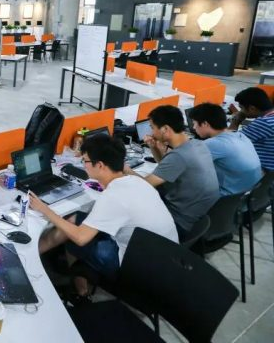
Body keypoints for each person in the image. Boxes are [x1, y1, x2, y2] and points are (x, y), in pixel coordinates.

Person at [31, 135, 178, 297]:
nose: (83, 165)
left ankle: (78, 287)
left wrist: (45, 210)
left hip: (138, 270)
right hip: (168, 260)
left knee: (71, 236)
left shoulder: (113, 196)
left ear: (100, 165)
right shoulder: (137, 181)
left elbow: (81, 237)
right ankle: (51, 263)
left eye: (85, 161)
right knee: (74, 220)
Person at [126, 105, 219, 237]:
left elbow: (143, 185)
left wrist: (125, 169)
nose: (151, 133)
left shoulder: (179, 156)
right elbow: (166, 167)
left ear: (165, 129)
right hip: (196, 214)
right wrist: (153, 147)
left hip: (177, 221)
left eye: (152, 128)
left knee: (129, 203)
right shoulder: (197, 144)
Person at [189, 103, 262, 196]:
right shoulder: (240, 135)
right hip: (251, 193)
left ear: (205, 124)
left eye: (194, 123)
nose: (194, 127)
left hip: (229, 197)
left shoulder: (213, 144)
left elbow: (182, 162)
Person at [229, 87, 274, 172]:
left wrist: (236, 121)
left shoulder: (264, 123)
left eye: (241, 108)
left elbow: (229, 142)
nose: (240, 111)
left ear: (252, 108)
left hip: (266, 173)